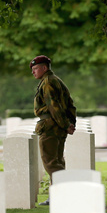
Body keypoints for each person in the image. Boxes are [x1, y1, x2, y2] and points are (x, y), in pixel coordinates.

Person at [31, 54, 76, 204]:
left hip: (51, 127)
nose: (33, 72)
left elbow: (53, 107)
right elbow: (70, 104)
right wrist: (70, 123)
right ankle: (57, 195)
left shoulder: (48, 83)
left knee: (50, 162)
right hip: (59, 127)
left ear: (44, 68)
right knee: (57, 161)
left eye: (35, 68)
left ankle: (64, 192)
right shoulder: (58, 81)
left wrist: (65, 124)